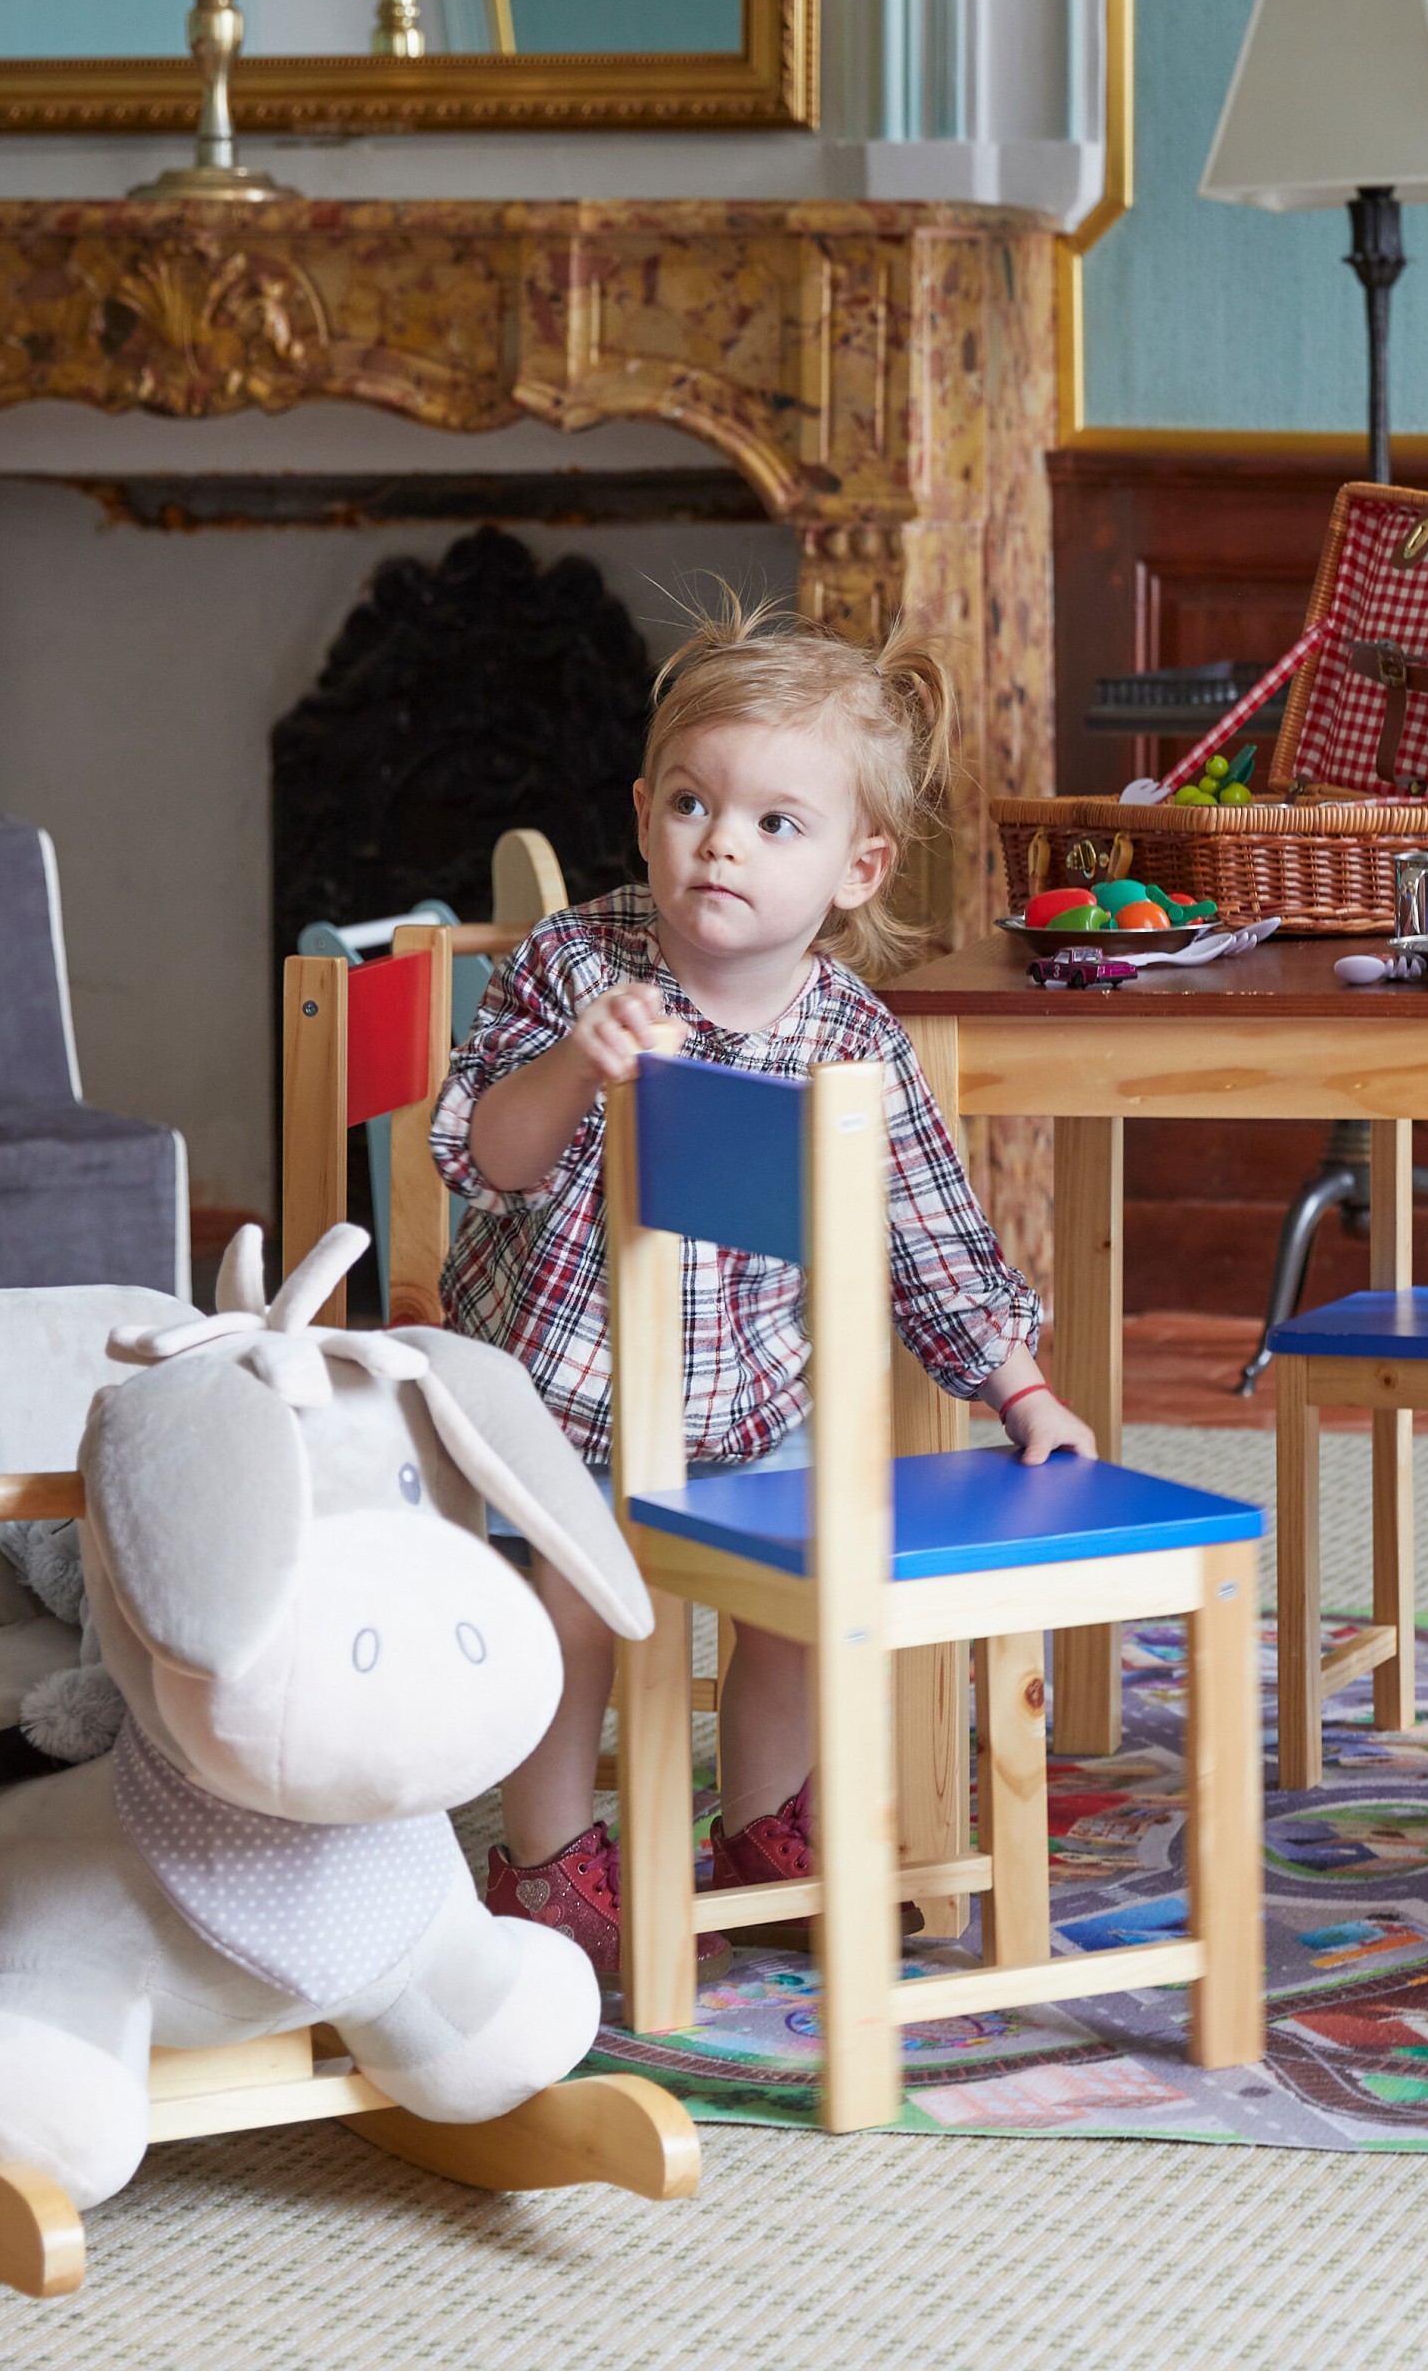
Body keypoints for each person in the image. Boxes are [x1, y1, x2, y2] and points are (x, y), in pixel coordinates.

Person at [436, 600, 1091, 1983]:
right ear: (643, 816)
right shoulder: (574, 966)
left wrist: (1022, 1390)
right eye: (691, 803)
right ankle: (545, 1862)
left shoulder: (852, 1035)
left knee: (787, 1612)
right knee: (574, 1607)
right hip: (556, 1401)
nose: (720, 841)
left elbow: (929, 1235)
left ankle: (757, 1837)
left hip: (746, 1406)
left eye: (775, 823)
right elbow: (485, 1158)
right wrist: (575, 1066)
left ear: (858, 869)